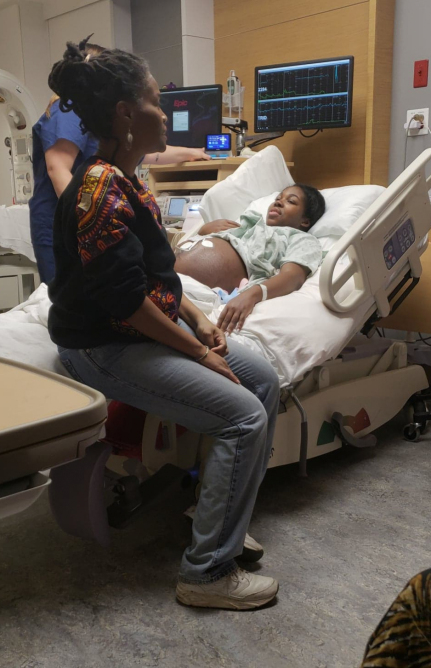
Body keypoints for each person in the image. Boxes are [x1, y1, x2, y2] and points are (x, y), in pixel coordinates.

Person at [47, 39, 281, 610]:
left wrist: (199, 320)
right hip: (102, 344)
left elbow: (157, 275)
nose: (167, 112)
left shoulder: (129, 179)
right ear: (127, 114)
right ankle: (206, 573)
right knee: (243, 417)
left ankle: (212, 515)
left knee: (263, 381)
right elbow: (127, 303)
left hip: (134, 328)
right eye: (158, 101)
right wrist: (200, 354)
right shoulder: (98, 190)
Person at [29, 39, 210, 284]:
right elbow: (57, 168)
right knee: (76, 288)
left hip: (89, 213)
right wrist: (88, 218)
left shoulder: (111, 136)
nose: (163, 115)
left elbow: (145, 152)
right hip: (61, 220)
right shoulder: (67, 111)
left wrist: (191, 153)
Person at [175, 184, 325, 334]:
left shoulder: (302, 239)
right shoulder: (247, 225)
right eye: (278, 198)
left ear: (305, 221)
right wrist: (203, 231)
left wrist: (252, 295)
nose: (278, 202)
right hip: (169, 274)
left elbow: (293, 276)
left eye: (291, 201)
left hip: (187, 290)